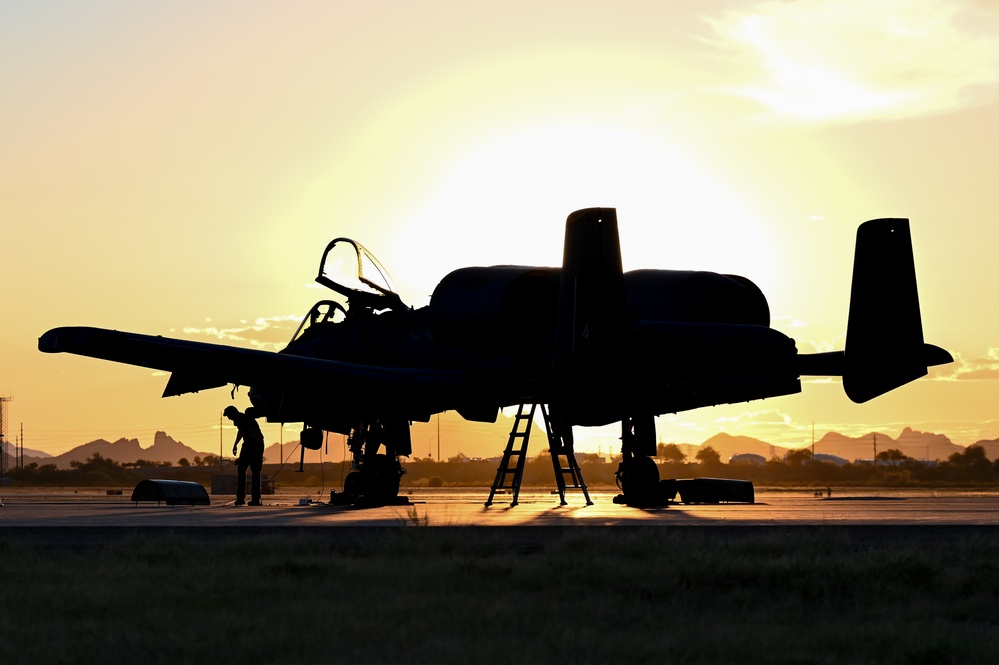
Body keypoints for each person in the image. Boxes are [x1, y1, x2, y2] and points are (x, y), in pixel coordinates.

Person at [224, 405, 265, 506]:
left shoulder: (240, 419)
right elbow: (241, 432)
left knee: (243, 470)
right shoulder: (243, 418)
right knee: (254, 472)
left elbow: (241, 432)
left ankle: (242, 499)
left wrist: (236, 447)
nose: (229, 419)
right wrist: (236, 446)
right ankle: (255, 499)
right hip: (256, 444)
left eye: (229, 416)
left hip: (252, 444)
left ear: (233, 414)